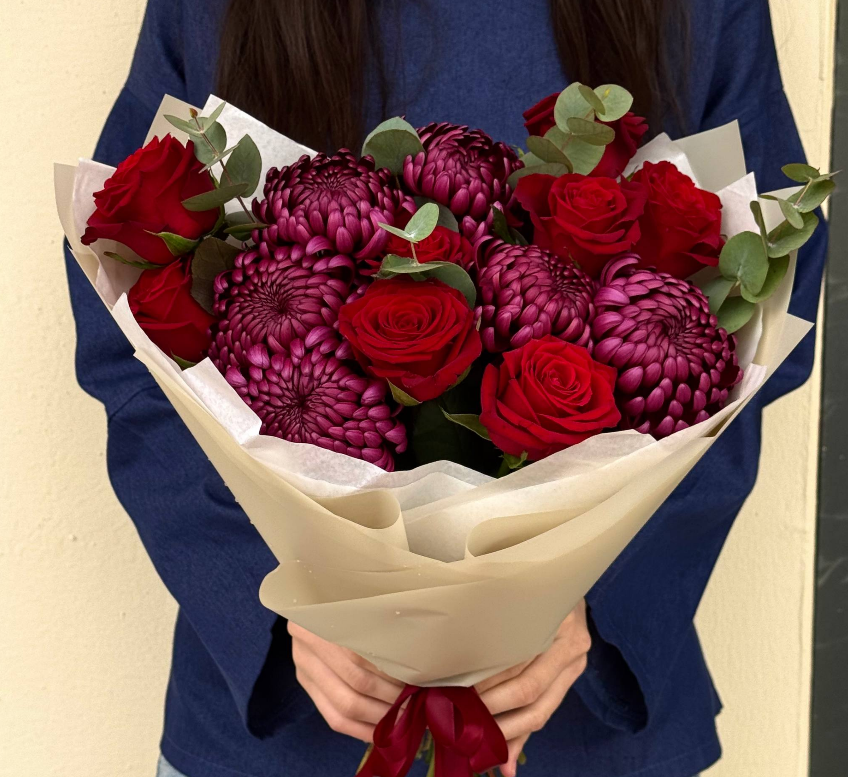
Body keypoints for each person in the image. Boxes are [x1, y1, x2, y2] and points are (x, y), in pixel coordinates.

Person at [63, 1, 827, 776]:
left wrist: (597, 606)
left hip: (579, 720)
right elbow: (124, 327)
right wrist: (268, 596)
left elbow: (762, 306)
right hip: (289, 723)